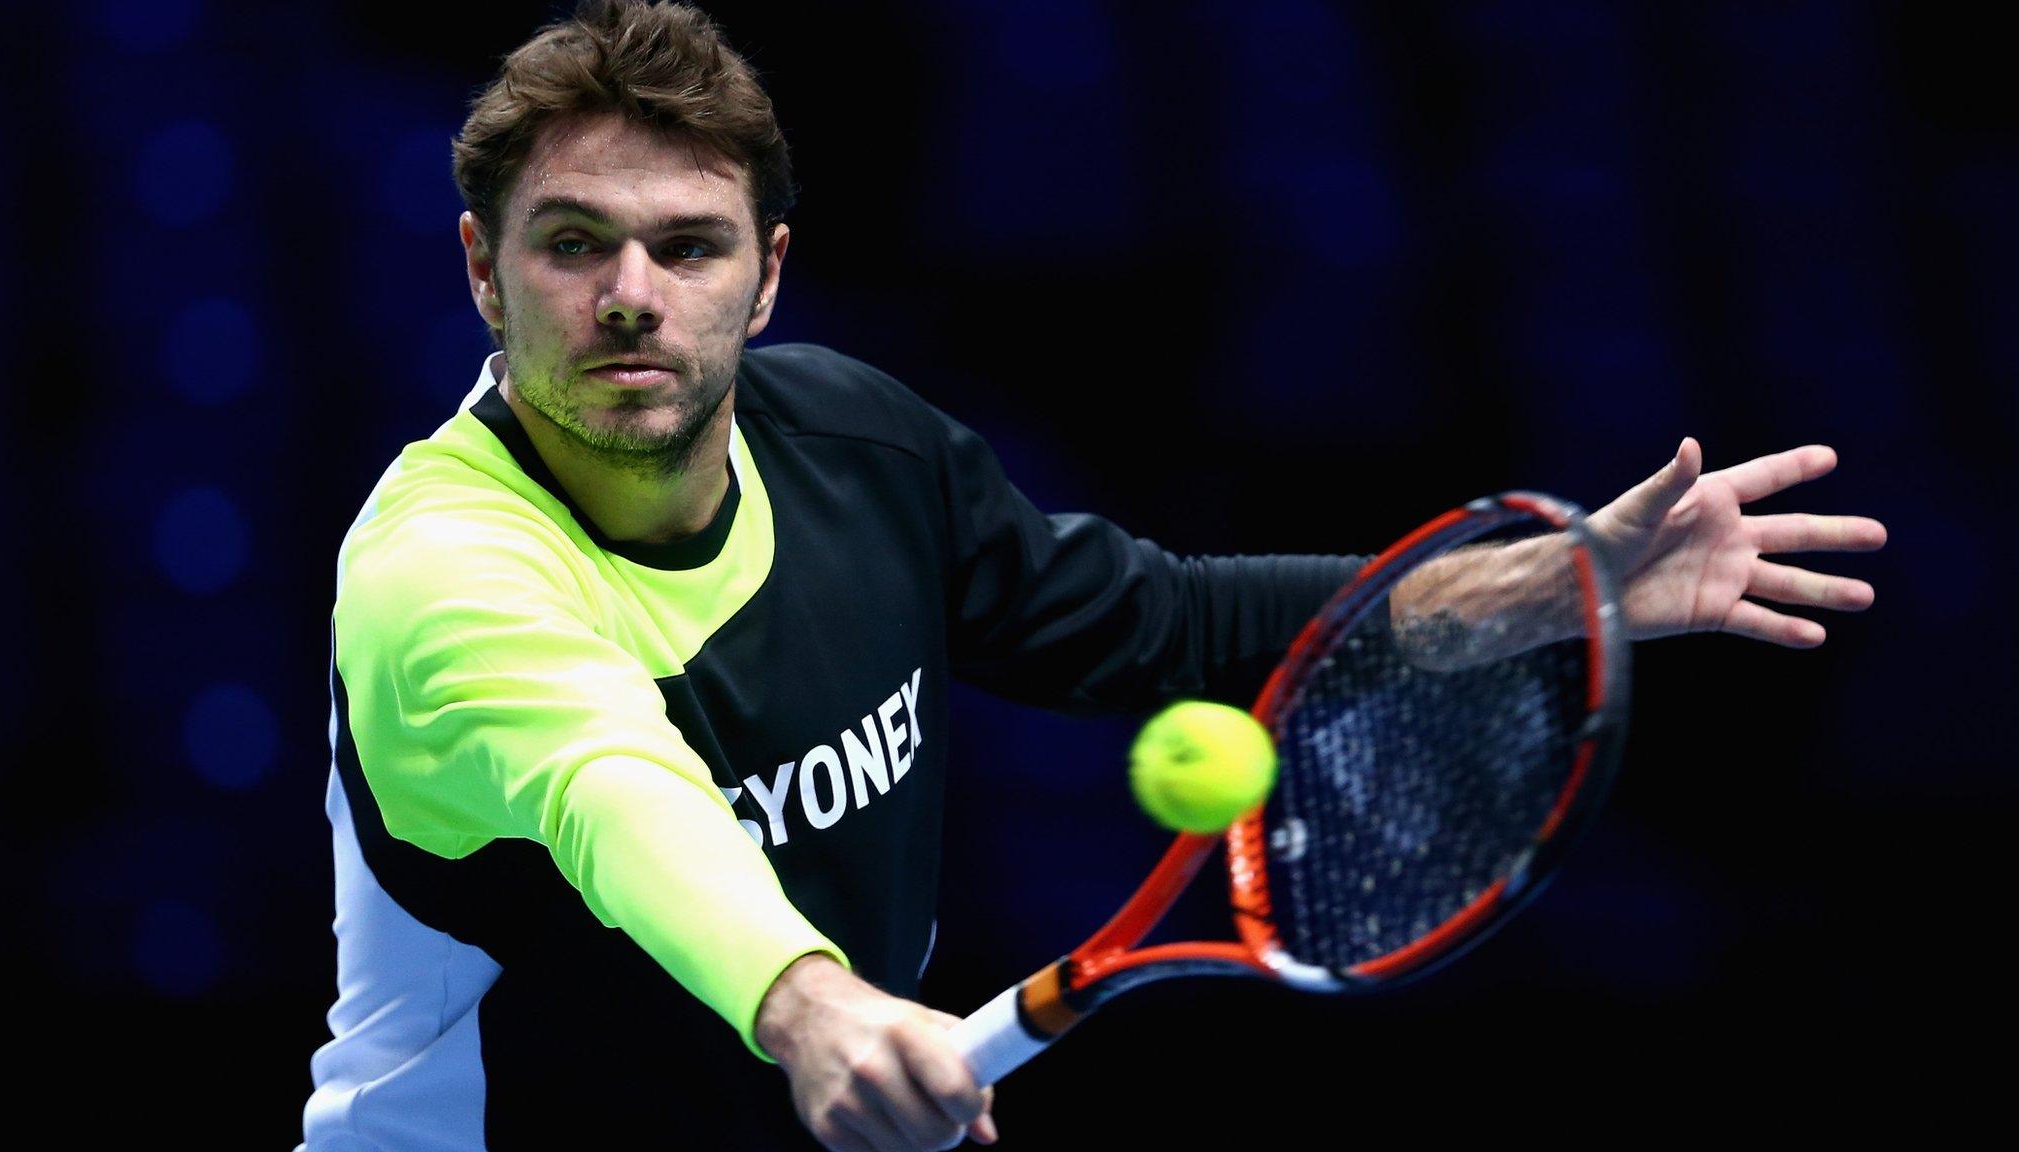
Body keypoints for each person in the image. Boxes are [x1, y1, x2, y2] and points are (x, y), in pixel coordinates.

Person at [299, 2, 1887, 1148]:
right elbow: (612, 789)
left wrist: (1552, 586)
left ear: (768, 276)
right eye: (574, 243)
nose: (632, 295)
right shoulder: (442, 570)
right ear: (481, 271)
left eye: (688, 246)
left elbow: (1177, 623)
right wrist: (814, 1005)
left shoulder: (865, 445)